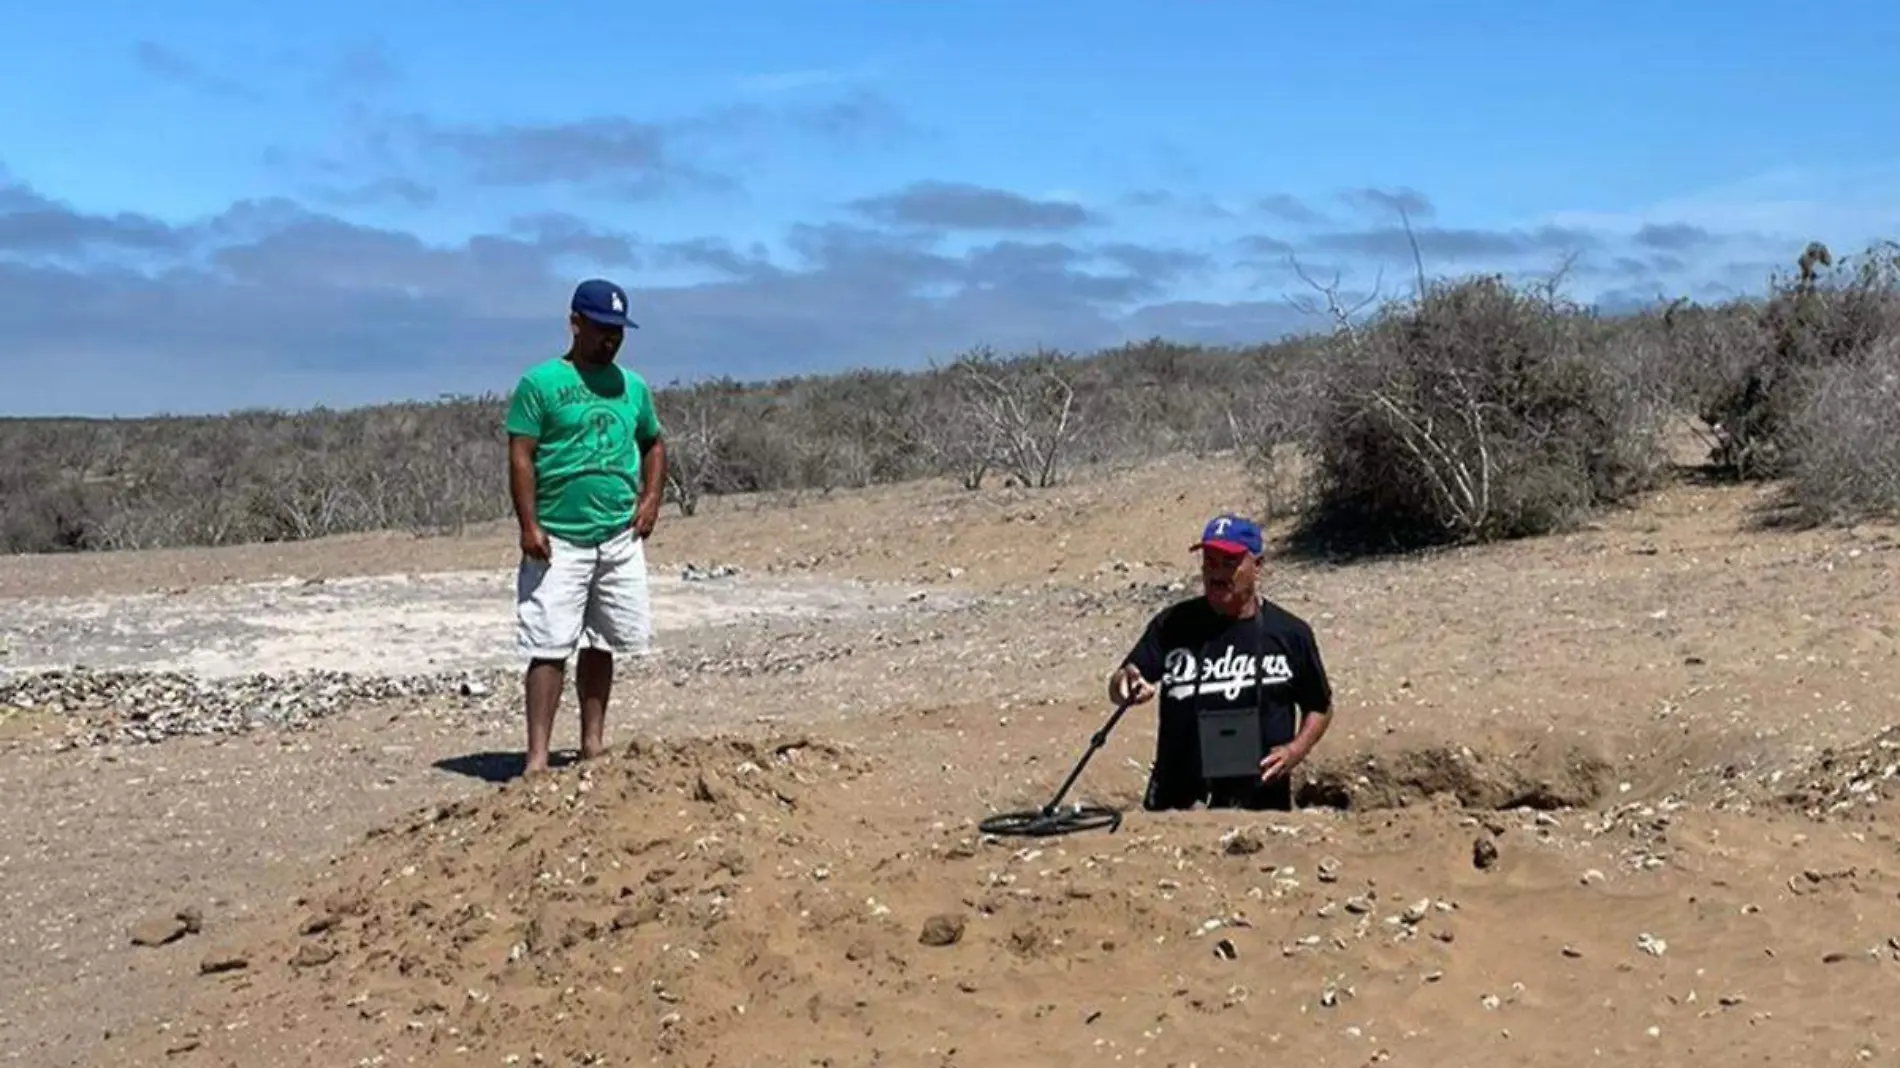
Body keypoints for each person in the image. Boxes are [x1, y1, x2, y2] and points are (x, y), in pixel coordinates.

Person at [503, 278, 668, 776]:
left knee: (602, 640)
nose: (611, 339)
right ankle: (537, 759)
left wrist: (652, 498)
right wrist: (529, 524)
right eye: (601, 329)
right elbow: (521, 455)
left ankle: (592, 745)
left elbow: (653, 443)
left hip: (617, 535)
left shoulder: (632, 386)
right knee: (549, 644)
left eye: (618, 330)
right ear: (576, 323)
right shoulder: (541, 383)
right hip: (558, 537)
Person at [1108, 513, 1334, 810]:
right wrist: (1127, 683)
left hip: (1260, 799)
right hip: (1179, 801)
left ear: (1257, 567)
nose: (1217, 574)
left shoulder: (1290, 633)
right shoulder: (1172, 625)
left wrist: (1295, 751)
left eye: (1229, 564)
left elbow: (1319, 705)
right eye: (1210, 563)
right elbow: (1123, 681)